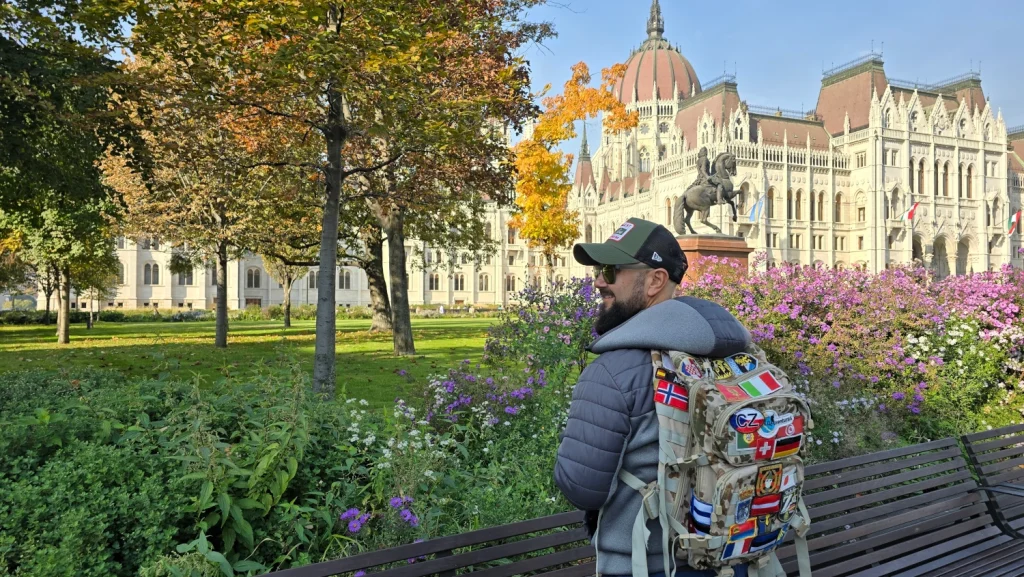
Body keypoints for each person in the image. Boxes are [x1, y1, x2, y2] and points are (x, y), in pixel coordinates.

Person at [554, 217, 751, 577]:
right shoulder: (736, 356)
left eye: (611, 270)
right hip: (733, 559)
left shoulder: (612, 373)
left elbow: (582, 489)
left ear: (656, 280)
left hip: (647, 565)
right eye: (599, 269)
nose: (599, 280)